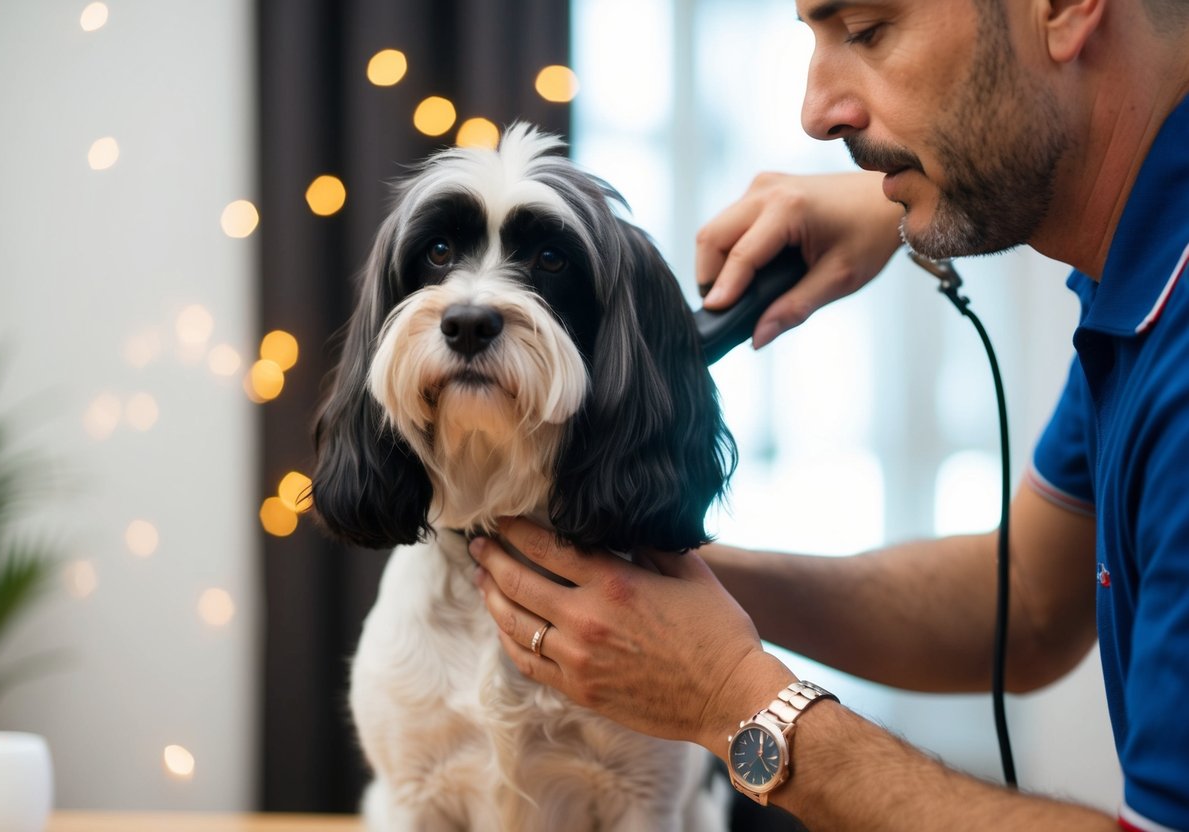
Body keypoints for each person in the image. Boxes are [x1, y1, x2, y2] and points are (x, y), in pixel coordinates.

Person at [467, 0, 1189, 828]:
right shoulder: (1139, 276)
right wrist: (653, 590)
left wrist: (735, 700)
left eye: (866, 29)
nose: (815, 115)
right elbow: (1027, 603)